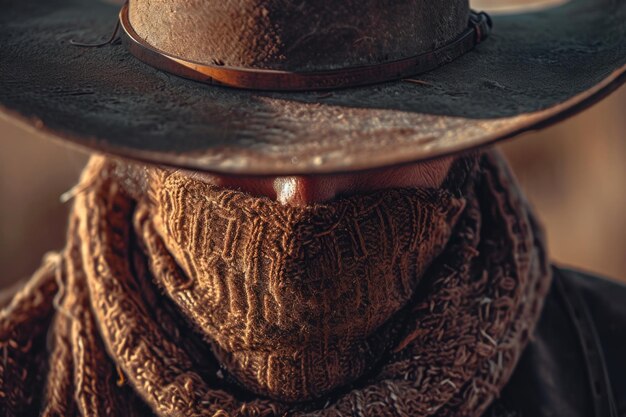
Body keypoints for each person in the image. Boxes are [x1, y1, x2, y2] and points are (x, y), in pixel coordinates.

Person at [0, 0, 624, 416]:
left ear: (469, 133)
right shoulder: (17, 379)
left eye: (379, 135)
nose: (301, 199)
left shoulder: (607, 362)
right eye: (236, 143)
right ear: (139, 141)